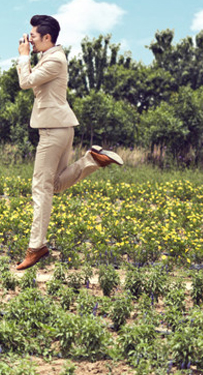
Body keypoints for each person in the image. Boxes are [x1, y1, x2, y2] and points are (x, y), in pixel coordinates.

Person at [15, 15, 123, 271]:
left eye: (33, 37)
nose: (29, 41)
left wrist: (23, 56)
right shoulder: (49, 57)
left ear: (47, 37)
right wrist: (30, 55)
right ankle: (92, 160)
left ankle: (36, 247)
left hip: (53, 131)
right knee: (54, 185)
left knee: (41, 188)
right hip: (58, 128)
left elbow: (25, 82)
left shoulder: (54, 59)